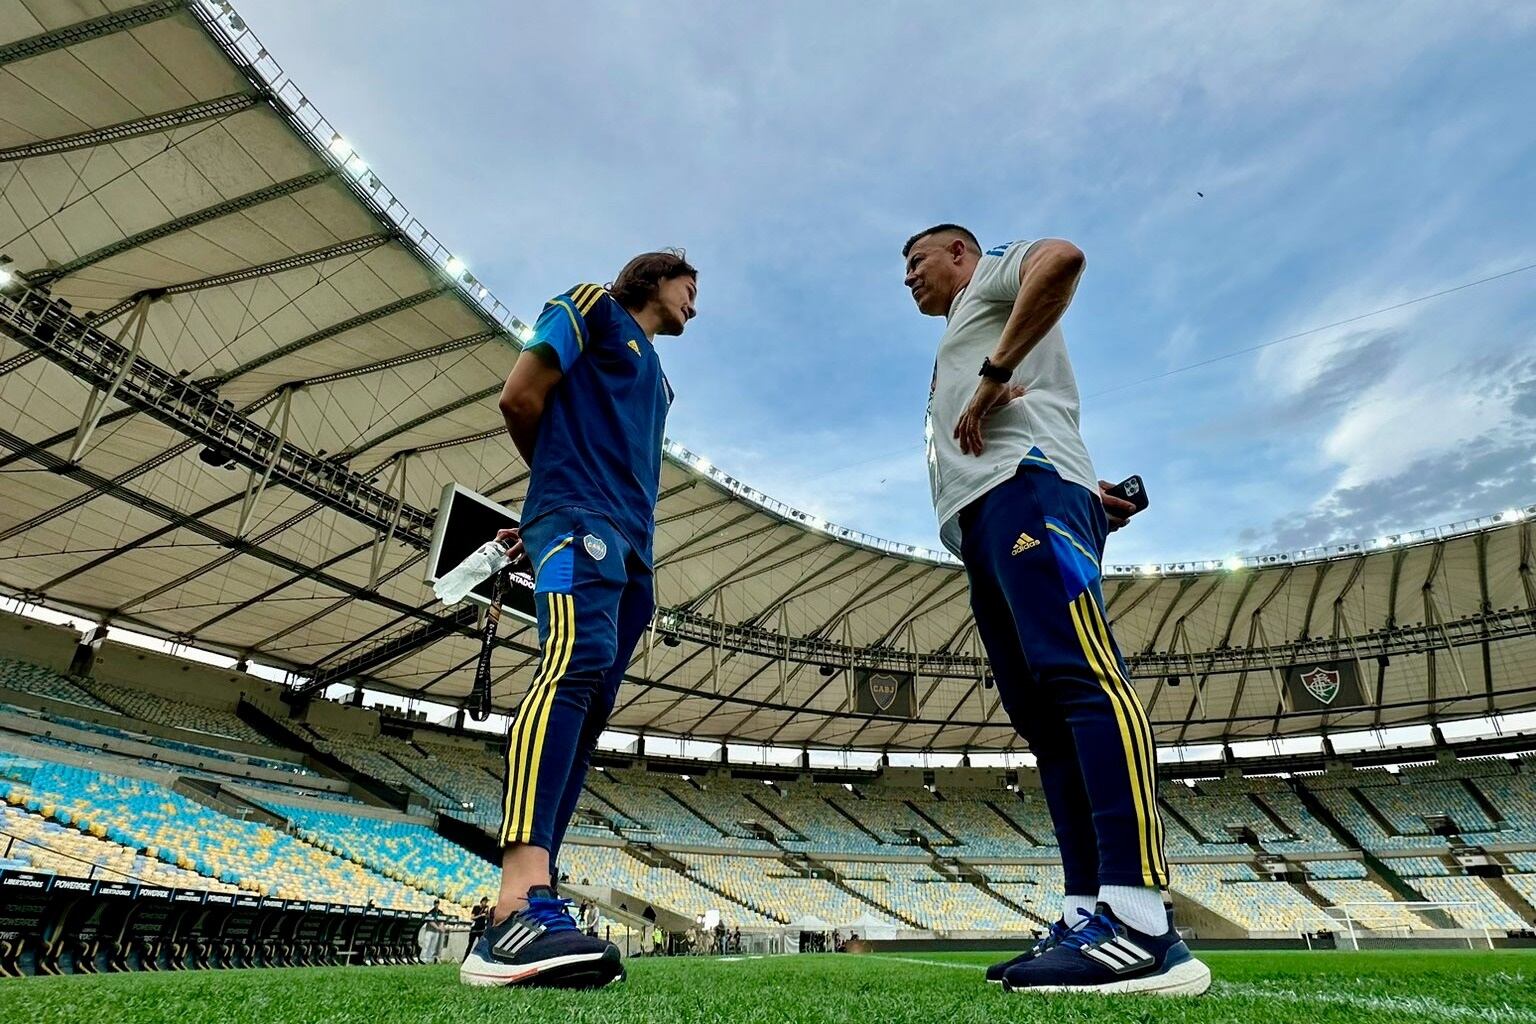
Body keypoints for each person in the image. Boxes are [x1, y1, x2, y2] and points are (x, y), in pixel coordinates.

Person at [902, 225, 1209, 997]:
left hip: (1026, 488)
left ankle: (1141, 920)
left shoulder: (992, 279)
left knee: (1082, 680)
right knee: (1042, 716)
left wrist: (993, 374)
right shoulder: (963, 328)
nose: (907, 277)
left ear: (961, 256)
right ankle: (1086, 911)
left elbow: (1063, 258)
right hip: (989, 511)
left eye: (918, 261)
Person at [460, 251, 698, 990]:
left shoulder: (659, 378)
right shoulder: (591, 303)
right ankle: (516, 903)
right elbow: (520, 397)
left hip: (633, 553)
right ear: (656, 279)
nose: (698, 301)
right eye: (692, 285)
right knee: (568, 668)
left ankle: (538, 906)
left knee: (591, 704)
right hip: (575, 525)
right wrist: (550, 506)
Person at [463, 896, 491, 962]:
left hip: (481, 929)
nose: (486, 903)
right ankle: (465, 959)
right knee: (470, 944)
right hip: (475, 928)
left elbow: (487, 918)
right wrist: (480, 915)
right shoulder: (476, 908)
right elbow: (472, 917)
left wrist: (486, 914)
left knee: (480, 944)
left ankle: (477, 960)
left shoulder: (486, 909)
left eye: (486, 902)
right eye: (485, 901)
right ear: (481, 902)